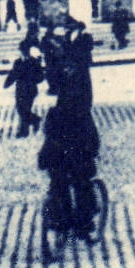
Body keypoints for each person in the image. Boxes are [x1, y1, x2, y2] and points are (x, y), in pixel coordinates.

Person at [37, 81, 102, 244]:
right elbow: (92, 138)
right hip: (75, 159)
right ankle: (83, 225)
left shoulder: (54, 113)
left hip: (54, 158)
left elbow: (47, 132)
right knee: (82, 185)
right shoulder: (83, 114)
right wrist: (92, 152)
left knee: (58, 186)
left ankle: (59, 222)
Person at [3, 40, 45, 138]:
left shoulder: (33, 61)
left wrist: (33, 80)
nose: (24, 52)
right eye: (23, 50)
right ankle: (35, 120)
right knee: (20, 109)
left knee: (25, 109)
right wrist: (7, 83)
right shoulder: (17, 62)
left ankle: (24, 131)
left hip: (31, 89)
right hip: (20, 89)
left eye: (25, 50)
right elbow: (13, 74)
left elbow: (41, 76)